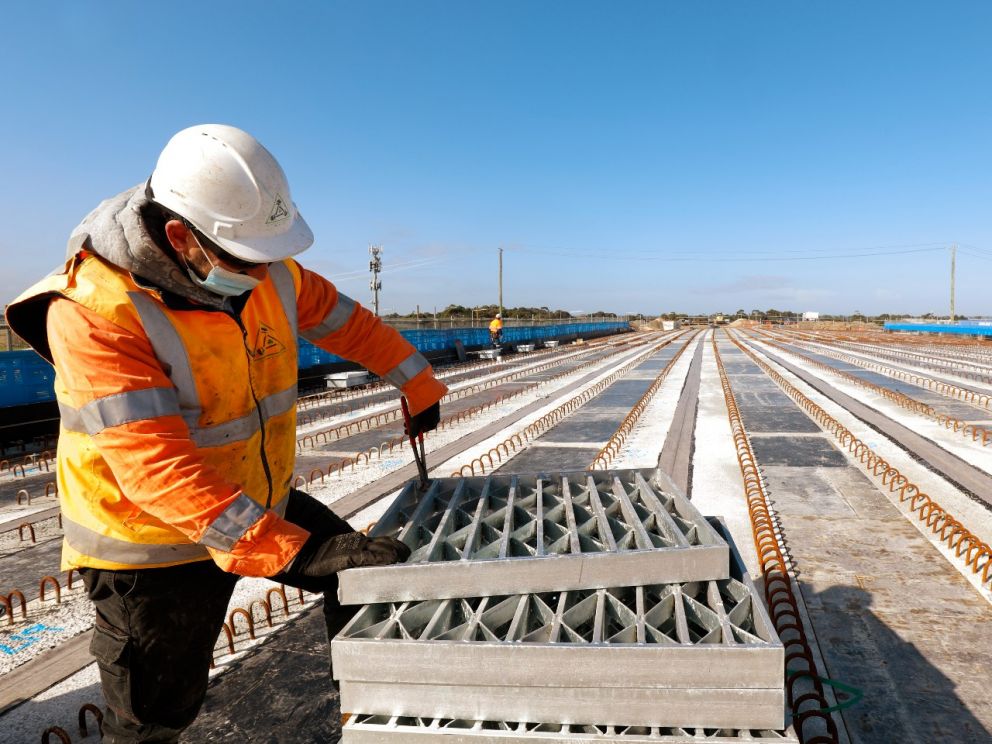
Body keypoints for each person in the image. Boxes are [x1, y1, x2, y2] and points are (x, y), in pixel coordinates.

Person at [4, 124, 447, 743]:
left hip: (255, 497)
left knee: (362, 570)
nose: (265, 275)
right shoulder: (94, 311)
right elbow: (152, 465)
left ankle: (376, 712)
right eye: (248, 262)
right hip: (152, 544)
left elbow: (349, 324)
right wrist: (290, 548)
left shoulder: (269, 272)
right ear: (182, 236)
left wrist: (417, 380)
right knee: (155, 718)